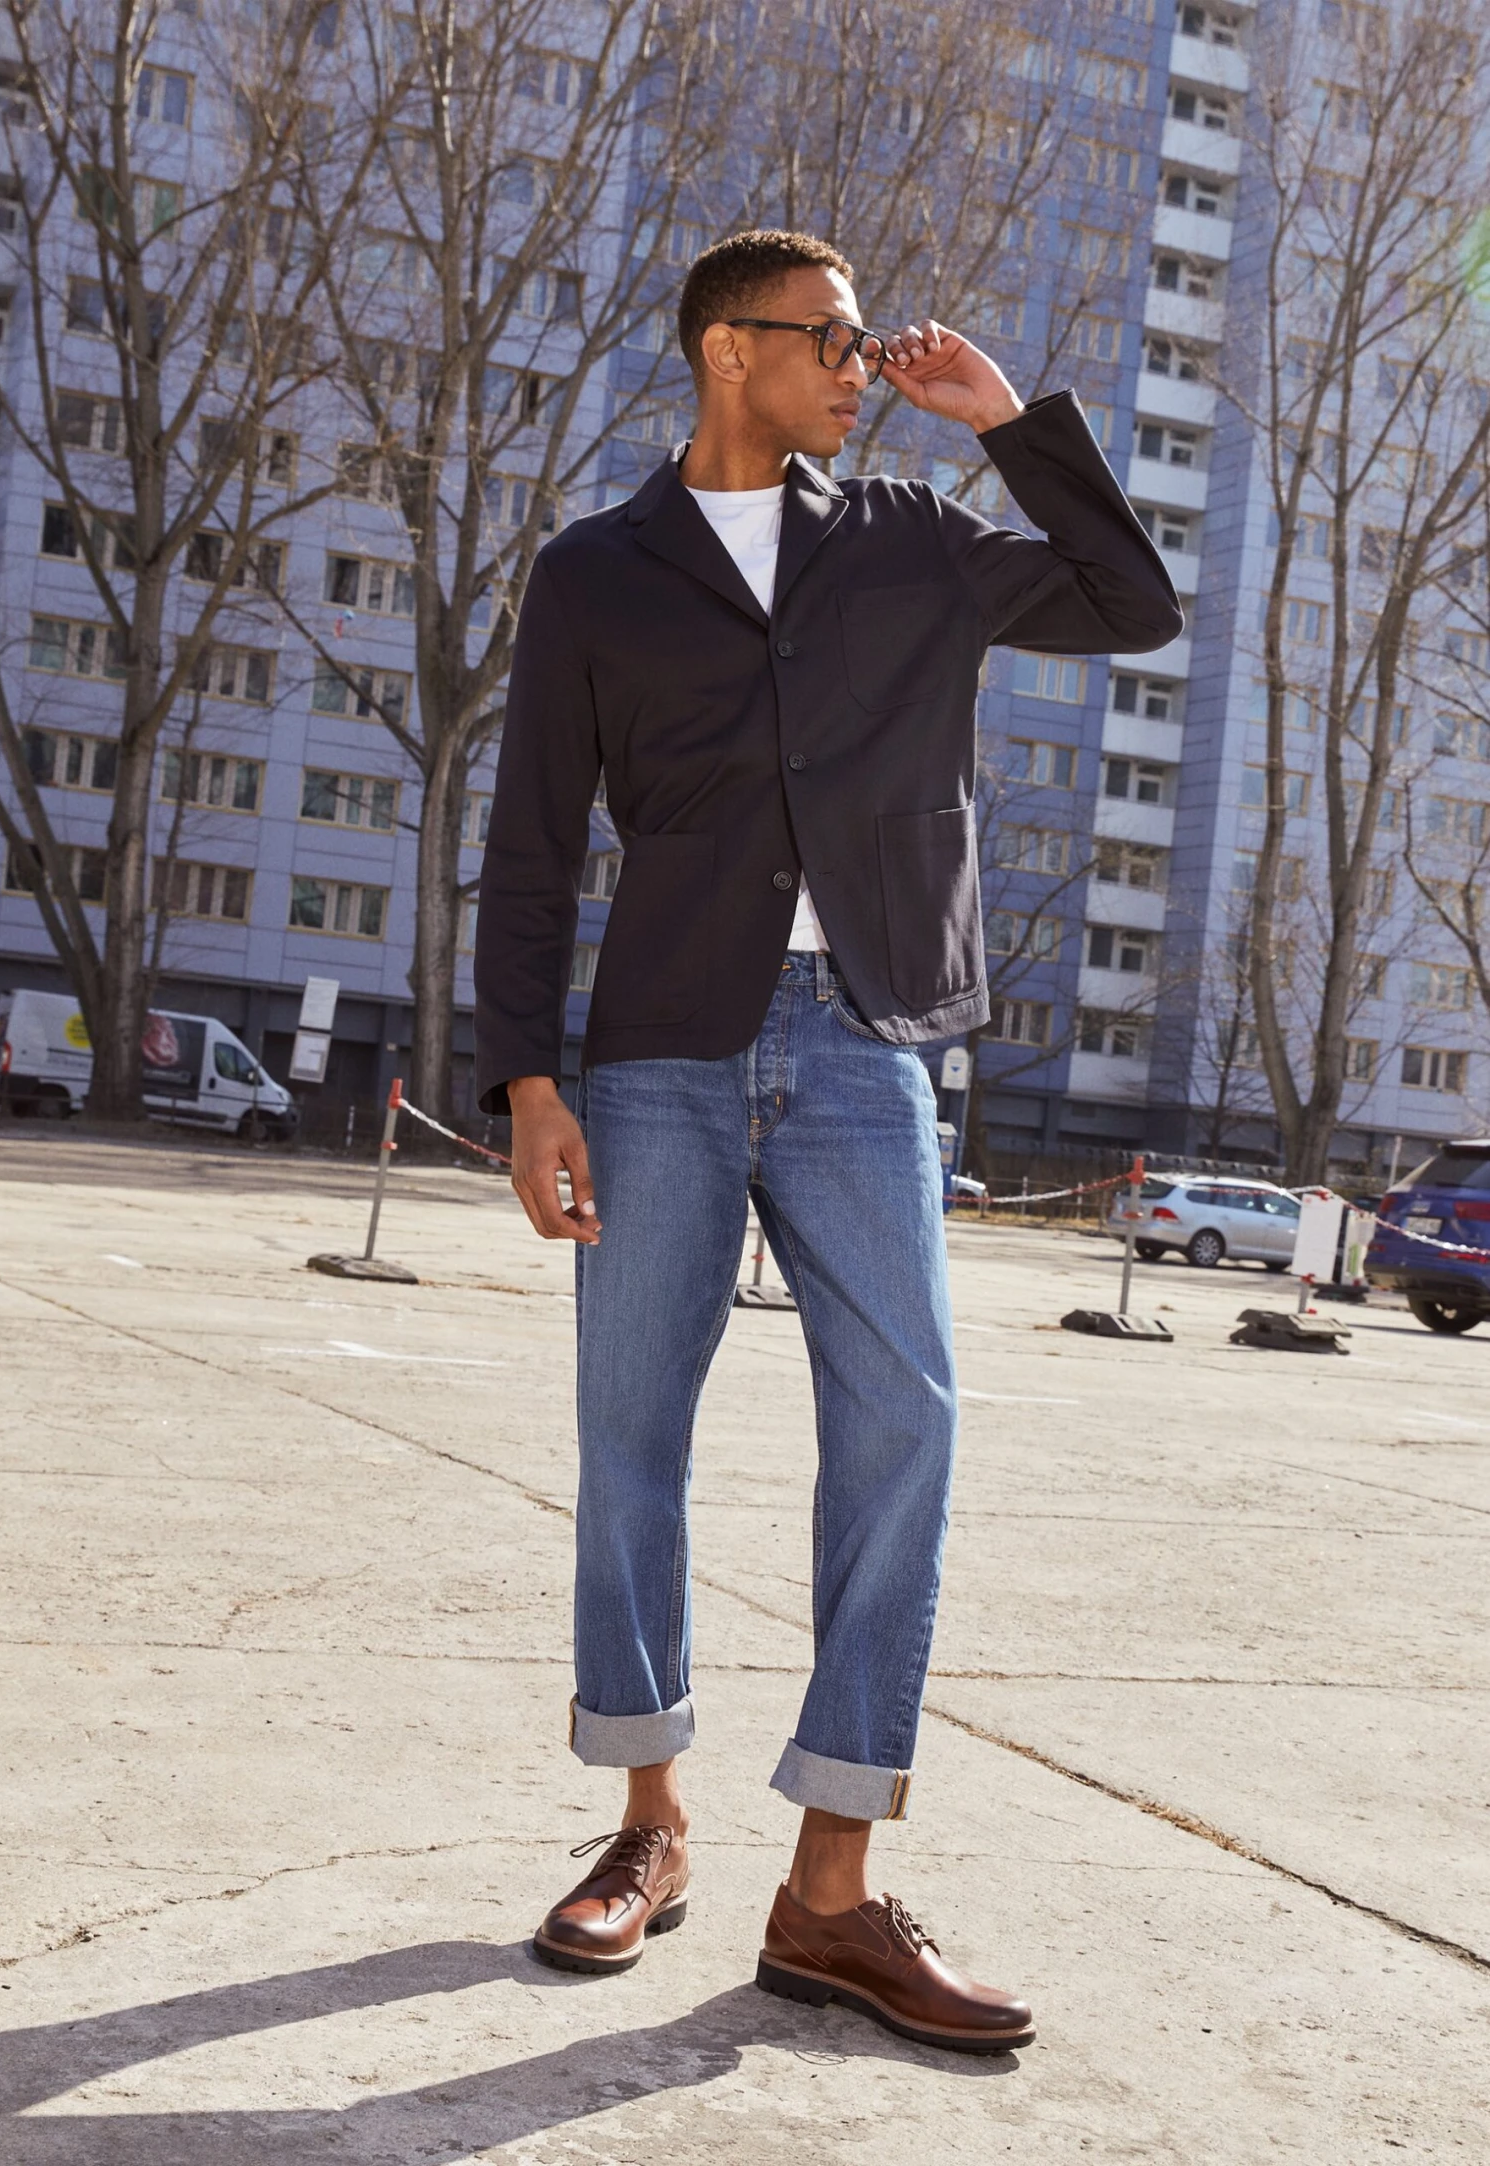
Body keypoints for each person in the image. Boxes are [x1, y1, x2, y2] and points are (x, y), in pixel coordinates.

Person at [475, 228, 1181, 2054]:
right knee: (630, 1437)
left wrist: (1007, 423)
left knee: (904, 1427)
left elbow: (1130, 602)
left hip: (870, 1041)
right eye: (836, 340)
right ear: (732, 351)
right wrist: (527, 1080)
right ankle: (649, 1824)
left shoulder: (910, 539)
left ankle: (834, 1889)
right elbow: (534, 837)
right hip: (658, 1050)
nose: (866, 367)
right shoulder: (597, 572)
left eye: (868, 343)